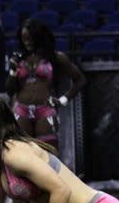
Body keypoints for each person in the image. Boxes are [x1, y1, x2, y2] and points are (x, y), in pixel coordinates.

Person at [6, 18, 86, 150]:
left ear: (39, 37)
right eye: (24, 39)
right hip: (21, 109)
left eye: (30, 38)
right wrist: (13, 71)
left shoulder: (55, 57)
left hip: (45, 110)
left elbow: (80, 80)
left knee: (48, 157)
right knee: (23, 157)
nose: (27, 42)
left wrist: (62, 100)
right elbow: (9, 90)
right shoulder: (19, 59)